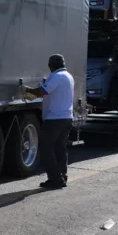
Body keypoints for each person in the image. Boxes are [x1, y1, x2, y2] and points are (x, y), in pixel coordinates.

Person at [24, 53, 75, 190]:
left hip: (54, 119)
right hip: (66, 117)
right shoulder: (68, 76)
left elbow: (42, 92)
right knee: (60, 149)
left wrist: (26, 92)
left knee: (47, 150)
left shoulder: (56, 77)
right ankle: (62, 177)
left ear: (50, 66)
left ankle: (55, 179)